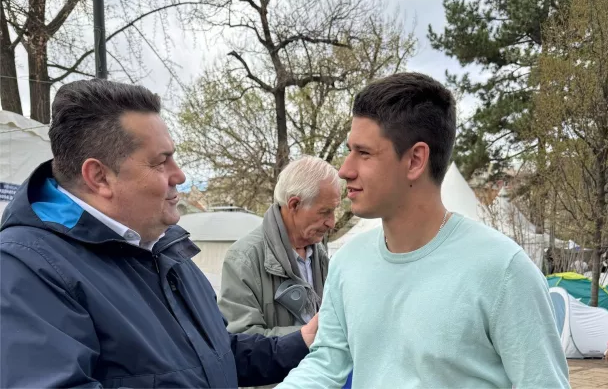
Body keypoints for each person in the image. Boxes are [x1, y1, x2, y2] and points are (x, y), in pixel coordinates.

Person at [0, 79, 317, 388]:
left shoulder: (164, 249)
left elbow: (220, 356)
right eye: (161, 162)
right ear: (99, 177)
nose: (179, 175)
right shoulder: (26, 270)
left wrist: (304, 340)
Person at [277, 72, 570, 388]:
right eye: (350, 151)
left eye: (363, 153)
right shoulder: (348, 263)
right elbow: (324, 366)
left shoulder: (503, 270)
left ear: (415, 160)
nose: (345, 170)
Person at [218, 156, 340, 337]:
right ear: (294, 204)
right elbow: (243, 339)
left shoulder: (320, 255)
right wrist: (309, 336)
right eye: (324, 212)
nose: (332, 222)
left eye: (334, 211)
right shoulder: (244, 258)